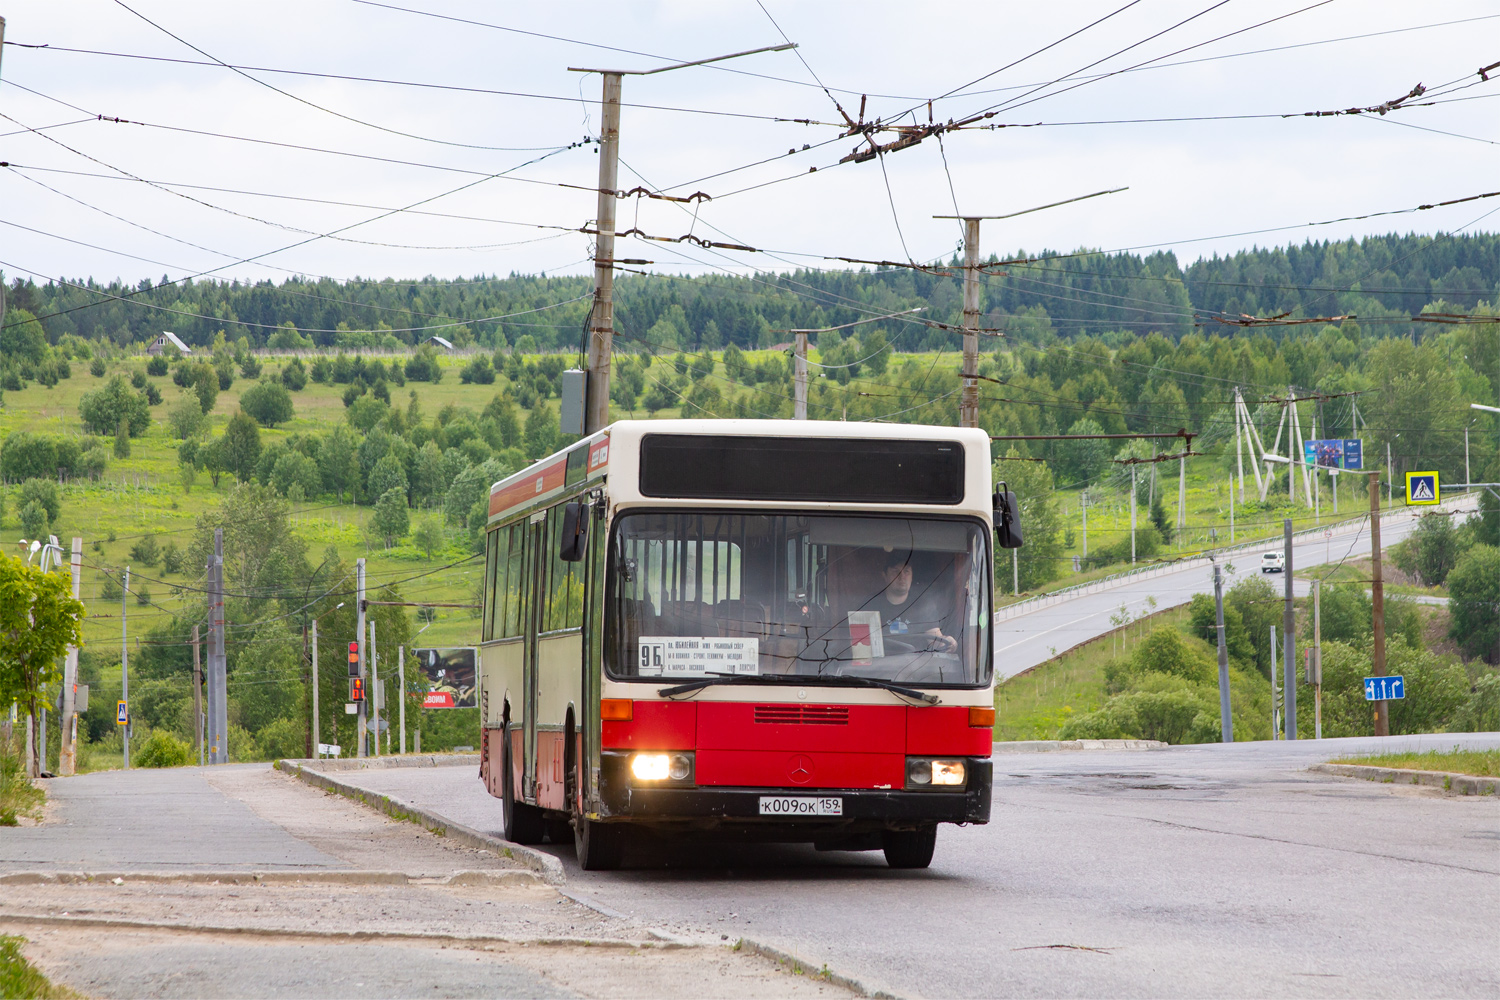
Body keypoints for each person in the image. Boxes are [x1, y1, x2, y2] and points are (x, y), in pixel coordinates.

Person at [867, 549, 957, 653]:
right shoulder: (870, 605)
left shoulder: (922, 604)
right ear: (884, 575)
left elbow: (934, 640)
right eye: (896, 571)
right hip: (880, 667)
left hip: (916, 667)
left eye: (906, 571)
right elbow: (860, 644)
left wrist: (948, 642)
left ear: (912, 575)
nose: (902, 577)